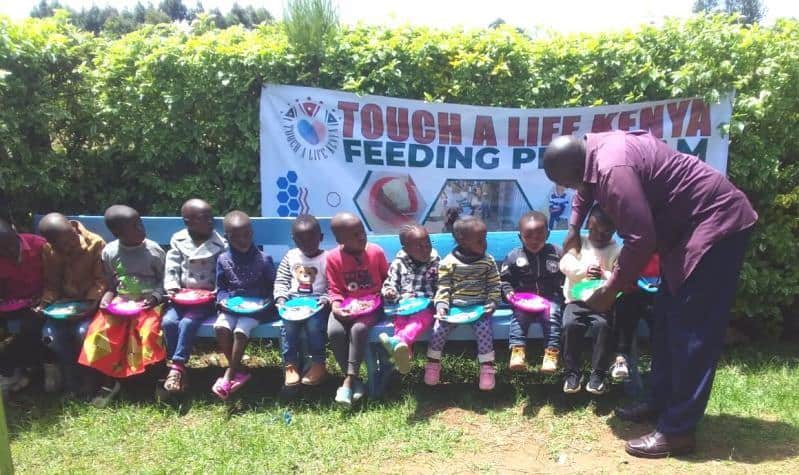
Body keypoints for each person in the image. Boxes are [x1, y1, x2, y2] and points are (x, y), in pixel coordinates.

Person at [542, 130, 757, 458]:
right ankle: (660, 401)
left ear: (576, 169)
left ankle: (678, 431)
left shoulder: (613, 168)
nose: (574, 191)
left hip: (715, 223)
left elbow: (640, 238)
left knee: (692, 329)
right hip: (684, 229)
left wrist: (611, 289)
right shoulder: (592, 151)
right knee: (667, 319)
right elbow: (585, 188)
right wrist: (573, 228)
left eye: (569, 184)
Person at [78, 205, 167, 408]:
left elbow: (164, 282)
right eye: (134, 226)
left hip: (148, 303)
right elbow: (111, 284)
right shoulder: (109, 252)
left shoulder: (153, 251)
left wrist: (154, 298)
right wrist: (107, 298)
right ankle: (109, 381)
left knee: (149, 332)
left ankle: (159, 378)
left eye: (140, 223)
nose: (141, 228)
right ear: (117, 233)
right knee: (100, 332)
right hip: (121, 302)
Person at [426, 216, 501, 391]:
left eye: (485, 239)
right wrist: (442, 305)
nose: (484, 244)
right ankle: (433, 363)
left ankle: (487, 368)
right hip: (454, 309)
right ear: (463, 242)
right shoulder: (448, 262)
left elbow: (494, 284)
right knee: (438, 329)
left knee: (484, 330)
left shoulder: (487, 261)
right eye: (479, 241)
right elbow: (443, 286)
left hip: (479, 308)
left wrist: (492, 302)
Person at [161, 199, 226, 394]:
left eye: (210, 218)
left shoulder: (219, 243)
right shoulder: (178, 240)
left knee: (188, 323)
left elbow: (223, 270)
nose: (209, 222)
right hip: (181, 297)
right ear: (188, 221)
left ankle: (177, 367)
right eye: (202, 219)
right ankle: (180, 370)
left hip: (205, 300)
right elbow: (172, 266)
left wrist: (218, 290)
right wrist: (171, 287)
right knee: (168, 323)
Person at [37, 213, 106, 395]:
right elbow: (50, 284)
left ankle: (91, 377)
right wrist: (45, 304)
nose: (71, 244)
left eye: (72, 238)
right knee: (51, 335)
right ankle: (71, 377)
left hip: (91, 304)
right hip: (63, 306)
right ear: (53, 243)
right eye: (64, 244)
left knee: (83, 332)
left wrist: (91, 303)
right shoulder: (49, 251)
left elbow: (101, 280)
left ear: (73, 228)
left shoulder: (95, 243)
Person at [326, 212, 388, 405]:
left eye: (361, 231)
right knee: (334, 331)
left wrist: (387, 292)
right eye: (354, 235)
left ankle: (349, 380)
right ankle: (356, 382)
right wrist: (336, 308)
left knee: (358, 329)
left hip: (373, 306)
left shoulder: (375, 252)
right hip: (346, 305)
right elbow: (334, 289)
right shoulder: (333, 258)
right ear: (340, 240)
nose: (361, 236)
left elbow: (387, 280)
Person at [212, 211, 276, 400]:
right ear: (227, 237)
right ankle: (239, 369)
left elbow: (273, 287)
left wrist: (267, 301)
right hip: (232, 305)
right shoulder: (223, 259)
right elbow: (221, 287)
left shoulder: (263, 259)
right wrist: (222, 300)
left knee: (241, 331)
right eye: (236, 236)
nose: (243, 240)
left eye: (246, 234)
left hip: (257, 309)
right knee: (221, 327)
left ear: (252, 233)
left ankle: (229, 374)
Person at [559, 206, 620, 395]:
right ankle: (572, 373)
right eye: (595, 231)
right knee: (569, 325)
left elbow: (620, 275)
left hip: (601, 302)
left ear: (615, 230)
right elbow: (565, 264)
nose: (600, 236)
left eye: (607, 232)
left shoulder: (616, 249)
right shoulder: (580, 243)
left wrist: (604, 274)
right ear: (588, 227)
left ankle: (598, 375)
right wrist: (583, 271)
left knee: (603, 327)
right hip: (576, 300)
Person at [500, 211, 564, 373]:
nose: (534, 241)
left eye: (540, 236)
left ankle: (551, 353)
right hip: (524, 300)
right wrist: (508, 293)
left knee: (553, 316)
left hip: (550, 298)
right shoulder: (514, 256)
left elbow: (566, 276)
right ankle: (517, 351)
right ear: (520, 236)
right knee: (519, 317)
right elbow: (505, 280)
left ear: (548, 234)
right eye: (528, 236)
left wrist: (565, 293)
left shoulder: (556, 253)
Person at [273, 215, 330, 387]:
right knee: (287, 326)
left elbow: (333, 283)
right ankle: (290, 365)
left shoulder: (326, 258)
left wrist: (326, 299)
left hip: (317, 303)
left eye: (311, 239)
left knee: (314, 325)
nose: (306, 244)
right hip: (293, 303)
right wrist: (281, 298)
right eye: (301, 240)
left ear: (320, 237)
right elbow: (281, 280)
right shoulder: (290, 256)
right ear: (294, 240)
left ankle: (318, 363)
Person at [379, 223, 439, 374]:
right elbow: (390, 283)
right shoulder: (399, 263)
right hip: (404, 305)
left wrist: (438, 299)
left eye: (427, 244)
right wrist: (390, 292)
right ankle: (405, 354)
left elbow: (442, 283)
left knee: (420, 320)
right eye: (419, 247)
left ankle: (400, 341)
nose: (425, 249)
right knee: (400, 321)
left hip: (426, 305)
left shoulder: (435, 261)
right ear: (406, 249)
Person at [0, 218, 46, 393]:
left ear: (15, 231)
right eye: (2, 250)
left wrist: (43, 298)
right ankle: (12, 370)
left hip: (40, 301)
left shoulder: (39, 246)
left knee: (31, 324)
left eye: (10, 245)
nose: (9, 252)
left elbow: (55, 276)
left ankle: (18, 371)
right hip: (10, 303)